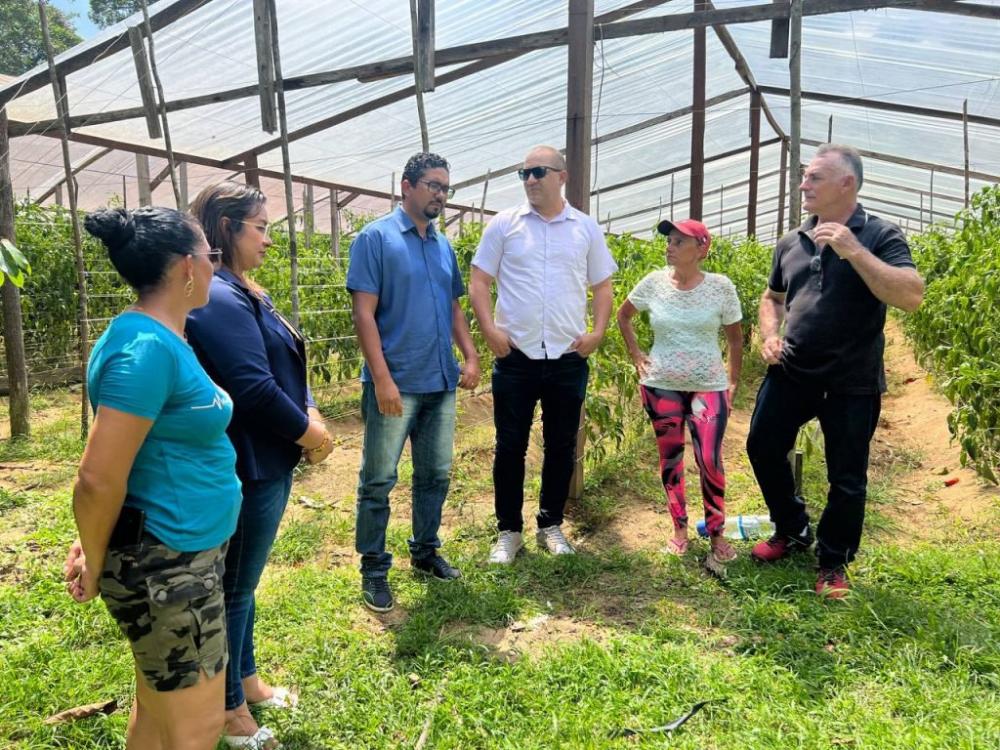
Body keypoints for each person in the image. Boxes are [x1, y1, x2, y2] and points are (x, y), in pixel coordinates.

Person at [63, 206, 240, 750]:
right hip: (168, 564)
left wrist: (95, 541)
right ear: (187, 267)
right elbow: (97, 477)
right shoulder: (145, 350)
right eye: (210, 256)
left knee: (158, 710)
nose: (215, 266)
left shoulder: (155, 338)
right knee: (196, 727)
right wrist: (93, 555)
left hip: (178, 555)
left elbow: (128, 461)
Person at [186, 182, 332, 748]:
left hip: (270, 457)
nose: (270, 239)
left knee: (243, 585)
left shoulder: (243, 290)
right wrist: (311, 433)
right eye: (261, 228)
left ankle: (246, 681)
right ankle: (227, 711)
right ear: (227, 230)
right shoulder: (220, 297)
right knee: (234, 587)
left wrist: (311, 407)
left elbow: (286, 362)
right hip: (250, 460)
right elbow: (253, 387)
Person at [746, 143, 924, 598]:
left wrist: (854, 251)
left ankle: (833, 560)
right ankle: (792, 527)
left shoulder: (880, 234)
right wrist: (770, 333)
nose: (803, 184)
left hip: (851, 378)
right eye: (804, 177)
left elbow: (910, 295)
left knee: (847, 475)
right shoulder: (791, 240)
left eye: (814, 177)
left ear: (847, 184)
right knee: (763, 446)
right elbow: (773, 297)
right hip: (792, 368)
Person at [469, 145, 617, 564]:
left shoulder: (585, 229)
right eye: (524, 174)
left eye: (538, 172)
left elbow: (602, 286)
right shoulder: (505, 225)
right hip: (516, 356)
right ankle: (508, 531)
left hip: (568, 357)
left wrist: (598, 333)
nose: (530, 180)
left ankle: (550, 524)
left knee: (561, 444)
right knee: (509, 445)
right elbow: (479, 281)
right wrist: (489, 330)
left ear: (561, 177)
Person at [347, 152, 480, 613]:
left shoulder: (442, 246)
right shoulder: (376, 238)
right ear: (407, 186)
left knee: (435, 474)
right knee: (379, 479)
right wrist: (381, 379)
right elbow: (363, 313)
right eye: (432, 185)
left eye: (445, 187)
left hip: (439, 379)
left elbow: (454, 307)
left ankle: (425, 551)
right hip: (396, 381)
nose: (439, 194)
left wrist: (470, 353)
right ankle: (374, 567)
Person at [617, 219, 743, 573]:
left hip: (708, 387)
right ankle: (679, 529)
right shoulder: (654, 283)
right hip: (661, 385)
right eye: (669, 241)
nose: (669, 246)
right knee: (670, 458)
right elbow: (623, 317)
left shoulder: (720, 287)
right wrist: (636, 355)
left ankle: (716, 533)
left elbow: (735, 339)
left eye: (678, 241)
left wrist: (732, 382)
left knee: (709, 459)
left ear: (701, 248)